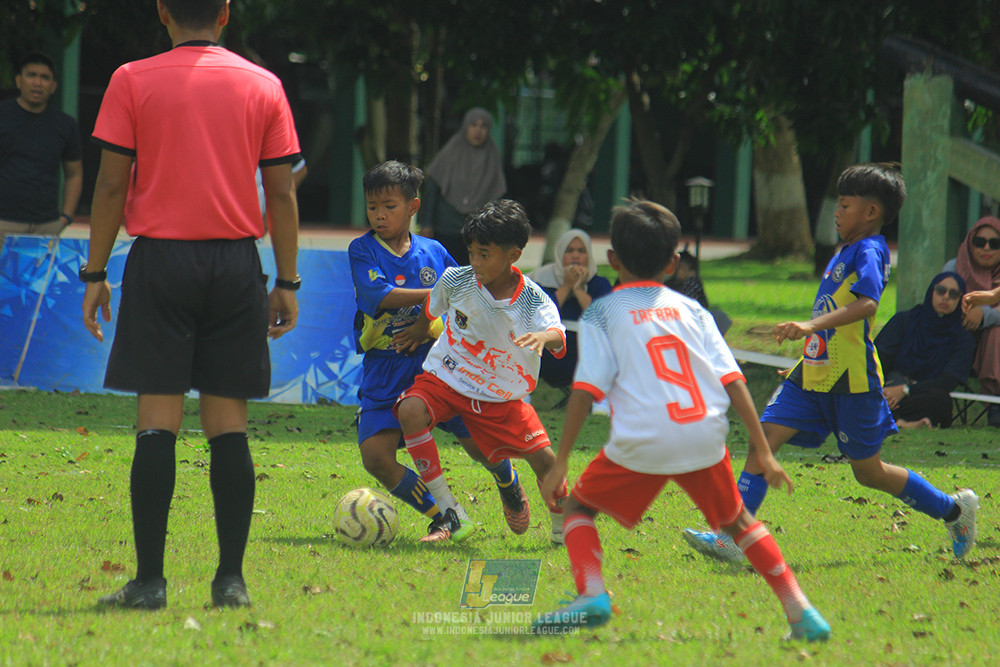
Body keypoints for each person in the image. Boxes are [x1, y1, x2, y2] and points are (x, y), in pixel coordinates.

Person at [81, 0, 301, 610]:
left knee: (157, 421)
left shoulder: (131, 80)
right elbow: (281, 193)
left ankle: (149, 583)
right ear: (225, 13)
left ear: (163, 11)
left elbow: (110, 184)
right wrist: (287, 281)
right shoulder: (265, 85)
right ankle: (230, 582)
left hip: (161, 262)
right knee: (228, 425)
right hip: (234, 266)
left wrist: (95, 272)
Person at [530, 199, 830, 641]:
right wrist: (764, 452)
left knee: (577, 508)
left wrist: (561, 462)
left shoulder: (602, 312)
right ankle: (802, 612)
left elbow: (583, 392)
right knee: (739, 523)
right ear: (673, 263)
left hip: (643, 438)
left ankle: (591, 593)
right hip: (703, 435)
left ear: (612, 259)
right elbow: (734, 381)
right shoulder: (694, 311)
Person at [683, 163, 979, 564]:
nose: (836, 213)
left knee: (868, 472)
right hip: (812, 376)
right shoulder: (845, 251)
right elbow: (832, 317)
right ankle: (732, 537)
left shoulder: (870, 250)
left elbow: (868, 304)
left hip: (851, 382)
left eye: (844, 205)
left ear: (871, 212)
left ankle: (954, 511)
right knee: (763, 438)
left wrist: (809, 325)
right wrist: (805, 359)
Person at [350, 160, 516, 543]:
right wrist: (438, 293)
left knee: (479, 446)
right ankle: (447, 516)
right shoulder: (362, 250)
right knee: (375, 456)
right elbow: (379, 295)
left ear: (413, 207)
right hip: (385, 367)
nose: (379, 215)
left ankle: (507, 480)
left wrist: (432, 322)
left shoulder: (434, 251)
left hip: (437, 365)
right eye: (372, 206)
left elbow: (468, 292)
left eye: (389, 206)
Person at [393, 199, 569, 543]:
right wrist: (418, 330)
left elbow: (558, 334)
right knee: (410, 410)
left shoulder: (532, 300)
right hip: (448, 376)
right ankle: (452, 514)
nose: (474, 261)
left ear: (513, 255)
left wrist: (542, 337)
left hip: (500, 395)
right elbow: (432, 307)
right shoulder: (456, 280)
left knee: (546, 463)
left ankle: (563, 533)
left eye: (484, 254)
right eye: (471, 252)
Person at [0, 52, 83, 247]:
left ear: (53, 86)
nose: (38, 83)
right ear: (19, 81)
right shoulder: (3, 115)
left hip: (47, 226)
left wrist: (66, 217)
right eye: (31, 75)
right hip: (3, 223)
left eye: (45, 78)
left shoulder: (65, 125)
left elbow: (74, 174)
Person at [875, 272, 974, 428]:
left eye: (953, 294)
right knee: (869, 393)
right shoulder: (904, 321)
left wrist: (905, 390)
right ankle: (901, 422)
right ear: (931, 291)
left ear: (960, 300)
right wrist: (886, 391)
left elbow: (947, 381)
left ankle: (891, 418)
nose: (946, 297)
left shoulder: (963, 339)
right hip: (889, 387)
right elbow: (879, 360)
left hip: (922, 393)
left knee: (941, 401)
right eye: (941, 290)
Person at [528, 228, 612, 388]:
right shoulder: (543, 279)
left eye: (581, 251)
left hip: (587, 346)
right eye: (569, 251)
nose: (575, 256)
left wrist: (579, 290)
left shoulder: (599, 283)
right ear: (560, 254)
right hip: (553, 347)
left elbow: (601, 317)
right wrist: (566, 286)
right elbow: (540, 314)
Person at [422, 108, 506, 265]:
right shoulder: (449, 153)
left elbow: (497, 197)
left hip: (478, 233)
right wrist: (426, 224)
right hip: (445, 228)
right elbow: (432, 192)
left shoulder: (492, 158)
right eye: (473, 125)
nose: (478, 131)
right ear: (465, 127)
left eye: (483, 126)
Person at [942, 216, 1000, 426]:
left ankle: (996, 403)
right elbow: (941, 302)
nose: (987, 248)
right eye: (979, 242)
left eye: (995, 243)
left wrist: (983, 314)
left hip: (994, 349)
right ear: (969, 243)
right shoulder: (955, 267)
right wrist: (966, 312)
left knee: (996, 332)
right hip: (958, 342)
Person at [666, 247, 731, 335]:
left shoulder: (692, 284)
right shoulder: (679, 283)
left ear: (690, 270)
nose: (677, 272)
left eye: (680, 268)